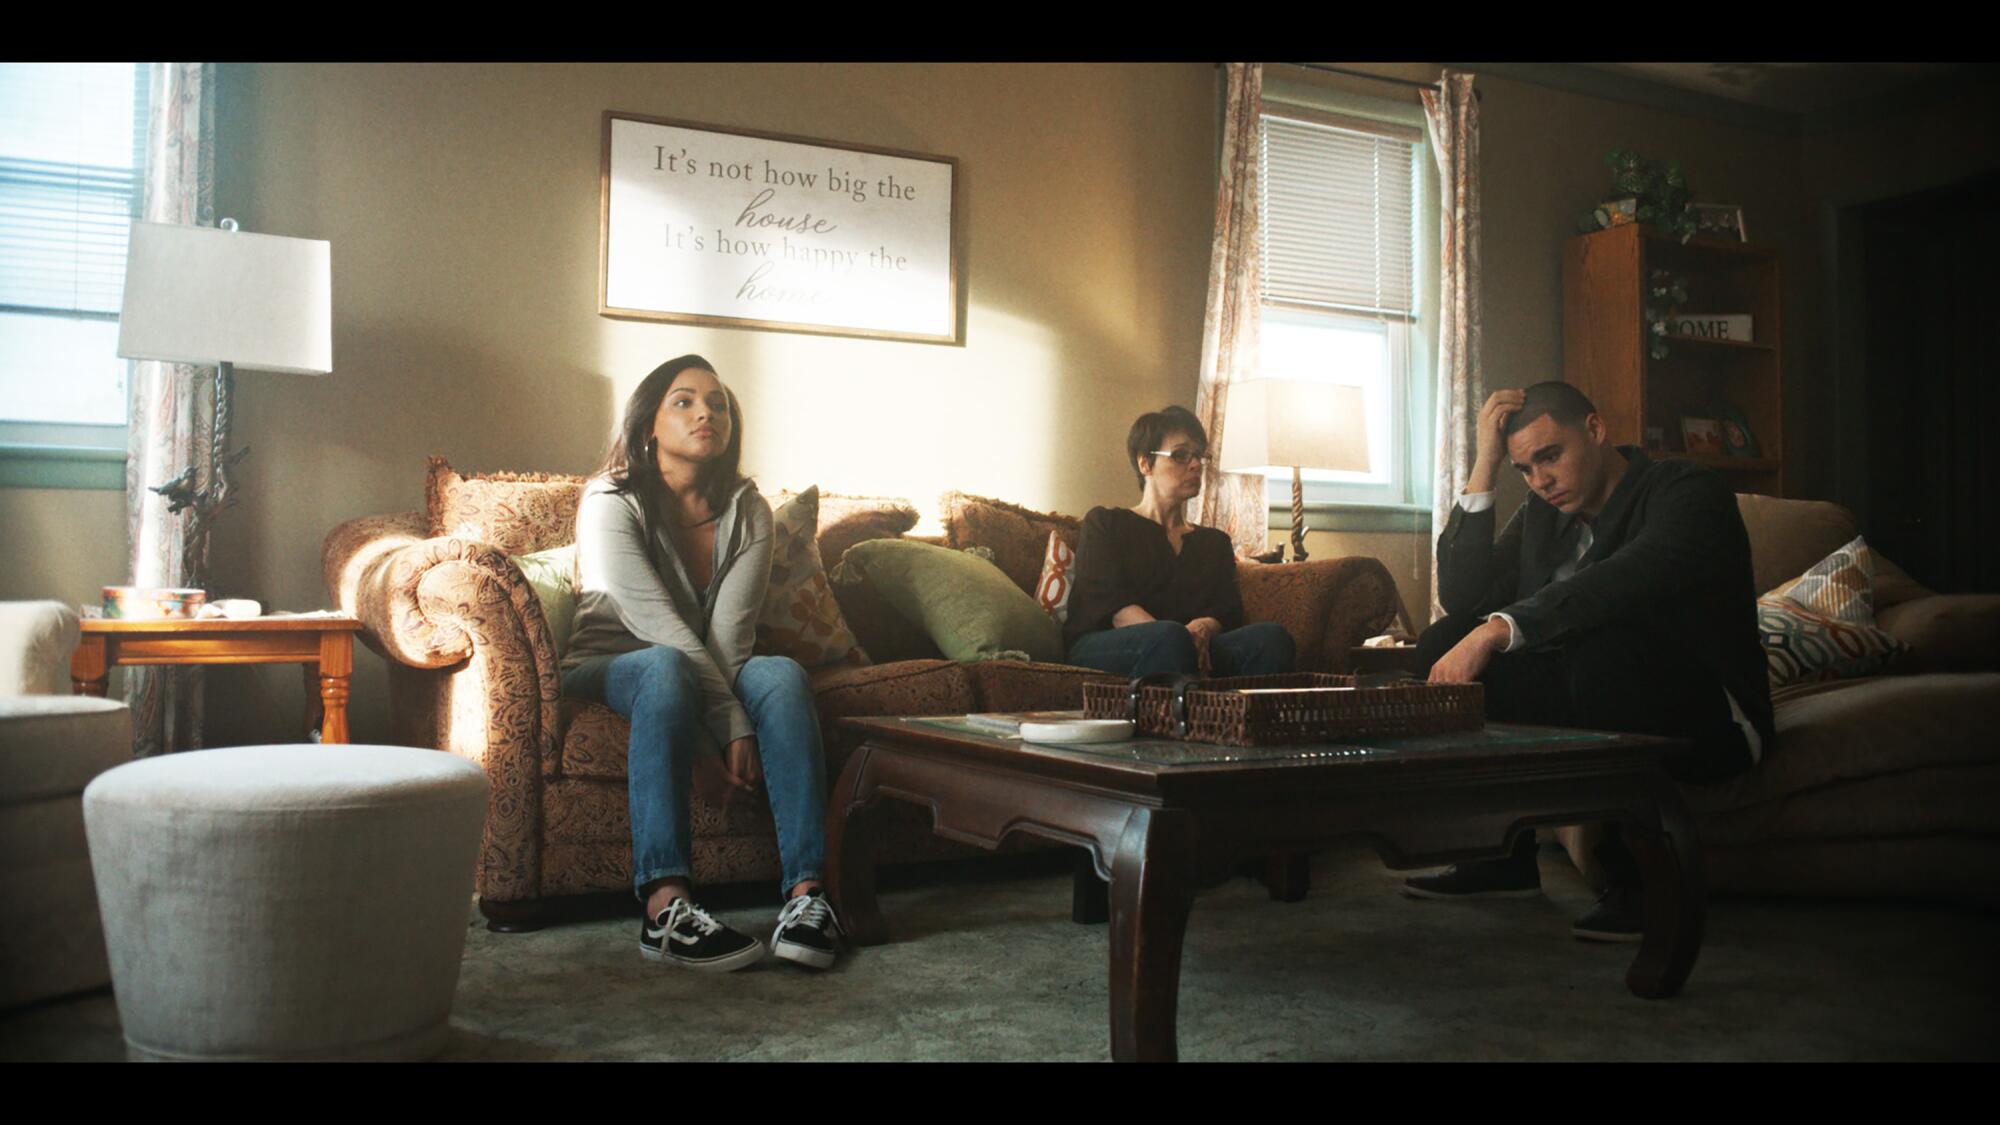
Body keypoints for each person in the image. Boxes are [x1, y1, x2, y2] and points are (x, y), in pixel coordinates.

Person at [1403, 381, 1772, 940]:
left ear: (1596, 430)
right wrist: (1486, 465)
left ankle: (1641, 884)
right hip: (1591, 689)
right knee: (1442, 639)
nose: (1541, 480)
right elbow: (1463, 594)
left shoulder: (1688, 490)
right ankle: (1501, 855)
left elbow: (1621, 583)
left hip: (1711, 717)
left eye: (1550, 456)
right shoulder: (1543, 512)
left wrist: (1499, 630)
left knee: (1603, 647)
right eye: (1525, 468)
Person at [561, 354, 840, 972]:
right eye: (683, 401)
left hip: (711, 660)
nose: (705, 412)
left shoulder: (750, 509)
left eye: (717, 402)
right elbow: (653, 625)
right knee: (663, 665)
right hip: (613, 660)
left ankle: (807, 896)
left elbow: (729, 636)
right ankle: (666, 908)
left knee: (782, 674)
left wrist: (721, 718)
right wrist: (717, 736)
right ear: (648, 425)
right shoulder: (610, 499)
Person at [1063, 405, 1296, 679]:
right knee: (1168, 638)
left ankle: (1231, 720)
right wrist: (1180, 638)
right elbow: (1113, 607)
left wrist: (1203, 628)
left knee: (1271, 638)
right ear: (1145, 463)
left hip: (1189, 645)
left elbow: (1226, 609)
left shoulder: (1214, 542)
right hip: (1108, 645)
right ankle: (1179, 720)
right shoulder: (1105, 524)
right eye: (1180, 455)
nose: (1196, 464)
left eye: (1198, 455)